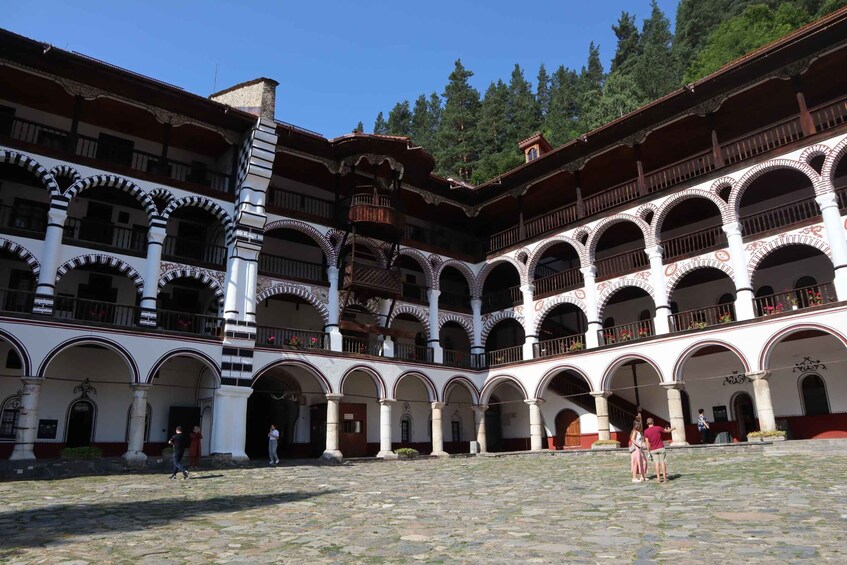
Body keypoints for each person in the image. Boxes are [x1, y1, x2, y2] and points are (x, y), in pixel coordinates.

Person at [644, 417, 674, 483]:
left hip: (653, 449)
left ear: (647, 423)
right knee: (663, 463)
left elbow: (647, 442)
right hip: (661, 447)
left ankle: (658, 478)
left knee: (656, 464)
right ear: (653, 422)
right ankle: (665, 478)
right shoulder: (658, 428)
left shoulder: (646, 431)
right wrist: (673, 428)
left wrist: (648, 450)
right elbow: (667, 431)